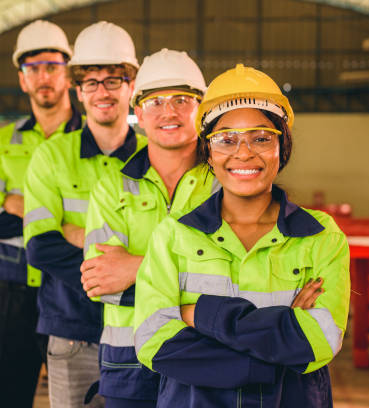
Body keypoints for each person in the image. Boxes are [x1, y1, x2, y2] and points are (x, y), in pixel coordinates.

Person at [133, 63, 350, 407]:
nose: (244, 152)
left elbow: (319, 341)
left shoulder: (321, 237)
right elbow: (153, 343)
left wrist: (196, 314)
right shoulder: (174, 236)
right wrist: (281, 330)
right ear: (208, 150)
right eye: (226, 139)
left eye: (261, 138)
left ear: (283, 146)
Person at [81, 48, 220, 408]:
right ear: (138, 113)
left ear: (202, 111)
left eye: (182, 99)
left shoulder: (226, 184)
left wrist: (136, 267)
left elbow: (240, 283)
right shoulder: (111, 188)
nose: (169, 112)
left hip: (207, 357)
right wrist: (198, 287)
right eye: (155, 101)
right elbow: (102, 285)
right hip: (129, 364)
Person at [23, 21, 145, 408]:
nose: (102, 92)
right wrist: (119, 272)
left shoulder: (155, 158)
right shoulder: (51, 156)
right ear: (77, 90)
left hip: (142, 331)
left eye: (113, 80)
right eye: (91, 82)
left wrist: (77, 232)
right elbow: (42, 248)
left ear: (132, 86)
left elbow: (171, 241)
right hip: (74, 334)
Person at [0, 20, 82, 408]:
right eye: (32, 68)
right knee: (9, 399)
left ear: (68, 73)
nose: (43, 76)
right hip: (14, 293)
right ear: (22, 79)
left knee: (79, 397)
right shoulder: (1, 144)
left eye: (52, 66)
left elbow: (102, 223)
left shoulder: (92, 140)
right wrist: (61, 221)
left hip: (74, 290)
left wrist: (21, 204)